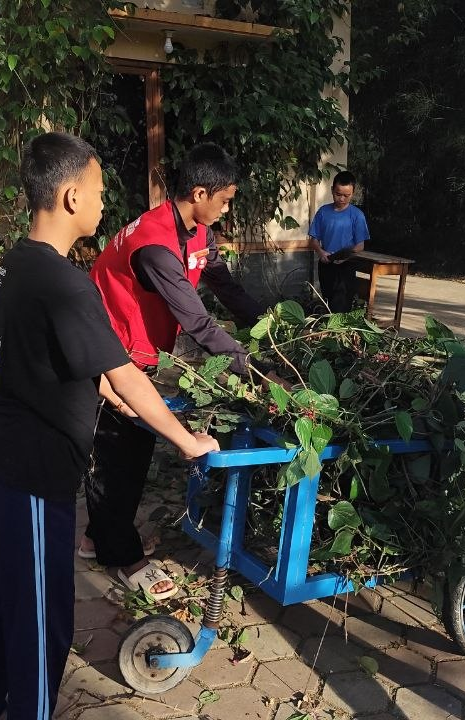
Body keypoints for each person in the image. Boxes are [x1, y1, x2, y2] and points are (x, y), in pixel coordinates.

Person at [0, 132, 219, 719]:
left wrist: (97, 386)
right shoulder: (66, 281)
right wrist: (186, 440)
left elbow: (44, 353)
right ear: (72, 197)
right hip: (26, 470)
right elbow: (125, 373)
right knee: (42, 620)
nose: (106, 204)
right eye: (100, 191)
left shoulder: (22, 263)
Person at [85, 142, 278, 600]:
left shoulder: (197, 233)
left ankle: (96, 538)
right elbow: (197, 321)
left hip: (140, 350)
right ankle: (121, 556)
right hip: (111, 353)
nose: (228, 209)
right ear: (199, 192)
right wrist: (258, 372)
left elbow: (224, 285)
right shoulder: (154, 244)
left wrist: (271, 325)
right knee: (120, 454)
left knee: (133, 448)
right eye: (226, 199)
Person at [309, 170, 370, 313]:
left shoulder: (357, 216)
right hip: (326, 263)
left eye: (346, 195)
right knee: (329, 301)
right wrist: (320, 252)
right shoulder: (323, 212)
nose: (342, 198)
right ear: (332, 190)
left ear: (353, 193)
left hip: (346, 265)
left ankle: (341, 333)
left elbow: (360, 246)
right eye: (338, 194)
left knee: (342, 304)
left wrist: (345, 257)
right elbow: (313, 239)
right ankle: (331, 332)